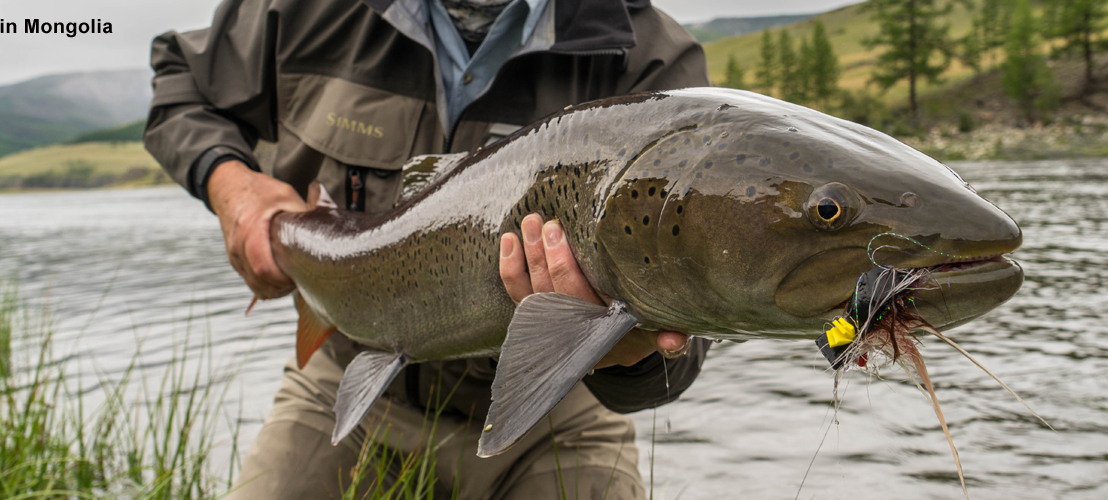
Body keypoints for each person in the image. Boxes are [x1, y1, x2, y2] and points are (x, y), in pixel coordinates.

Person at [144, 0, 711, 497]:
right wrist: (232, 187)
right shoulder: (302, 9)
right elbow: (180, 82)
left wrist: (619, 355)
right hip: (348, 380)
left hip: (553, 418)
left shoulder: (651, 57)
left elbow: (676, 363)